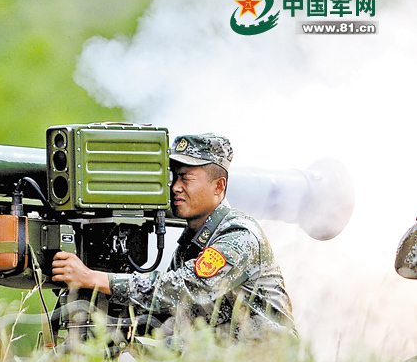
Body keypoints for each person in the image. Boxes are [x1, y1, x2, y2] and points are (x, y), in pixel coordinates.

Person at [51, 133, 295, 340]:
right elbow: (166, 311)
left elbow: (184, 289)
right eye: (174, 177)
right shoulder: (192, 243)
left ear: (218, 186)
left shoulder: (238, 235)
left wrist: (94, 278)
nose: (176, 187)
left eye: (186, 178)